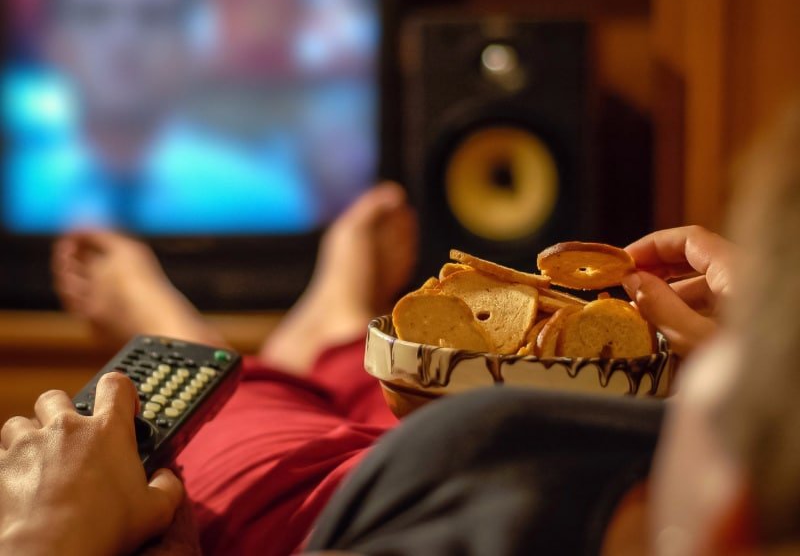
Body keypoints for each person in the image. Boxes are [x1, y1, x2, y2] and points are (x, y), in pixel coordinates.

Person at [2, 100, 800, 555]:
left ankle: (187, 322)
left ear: (734, 511)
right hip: (380, 464)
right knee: (370, 392)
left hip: (308, 493)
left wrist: (47, 540)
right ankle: (334, 325)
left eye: (731, 384)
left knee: (264, 428)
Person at [4, 0, 315, 233]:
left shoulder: (262, 202)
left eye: (152, 14)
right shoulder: (18, 191)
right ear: (54, 40)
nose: (124, 40)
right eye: (94, 13)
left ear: (190, 41)